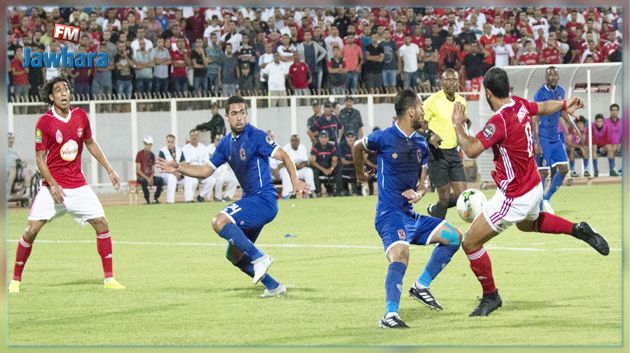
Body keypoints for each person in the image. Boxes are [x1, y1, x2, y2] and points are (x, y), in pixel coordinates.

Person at [451, 67, 609, 317]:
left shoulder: (499, 120)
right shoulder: (520, 104)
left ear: (488, 93)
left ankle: (491, 296)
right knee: (527, 225)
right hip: (534, 185)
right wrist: (565, 103)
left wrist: (458, 126)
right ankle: (577, 228)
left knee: (470, 242)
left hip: (514, 196)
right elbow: (544, 107)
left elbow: (471, 150)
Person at [157, 95, 307, 297]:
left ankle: (260, 257)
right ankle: (274, 286)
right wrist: (178, 166)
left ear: (247, 114)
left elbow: (284, 156)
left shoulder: (256, 136)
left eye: (242, 112)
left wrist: (295, 181)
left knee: (219, 221)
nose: (239, 117)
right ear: (227, 117)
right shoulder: (226, 144)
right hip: (250, 202)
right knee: (234, 254)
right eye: (234, 113)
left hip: (264, 199)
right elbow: (204, 170)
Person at [352, 89, 464, 329]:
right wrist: (361, 174)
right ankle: (390, 315)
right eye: (421, 107)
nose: (424, 112)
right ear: (411, 110)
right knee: (401, 255)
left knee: (455, 237)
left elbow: (422, 181)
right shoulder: (382, 137)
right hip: (389, 216)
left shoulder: (421, 144)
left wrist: (420, 192)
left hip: (409, 216)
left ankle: (421, 286)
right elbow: (356, 147)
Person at [9, 77, 125, 294]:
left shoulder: (80, 116)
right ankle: (15, 280)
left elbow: (90, 143)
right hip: (53, 188)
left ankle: (109, 278)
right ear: (51, 97)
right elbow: (40, 159)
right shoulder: (44, 122)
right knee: (31, 230)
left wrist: (109, 169)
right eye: (58, 90)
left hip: (78, 186)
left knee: (101, 223)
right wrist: (52, 185)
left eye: (66, 89)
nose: (64, 93)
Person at [533, 66, 579, 214]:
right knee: (544, 173)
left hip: (555, 137)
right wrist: (537, 141)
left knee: (564, 169)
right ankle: (539, 208)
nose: (552, 77)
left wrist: (574, 128)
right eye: (550, 75)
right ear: (546, 78)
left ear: (558, 77)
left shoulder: (560, 91)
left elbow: (562, 112)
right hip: (544, 138)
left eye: (555, 74)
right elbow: (535, 118)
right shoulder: (540, 93)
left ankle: (547, 198)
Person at [423, 69, 468, 220]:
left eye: (453, 80)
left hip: (454, 152)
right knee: (444, 197)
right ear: (442, 82)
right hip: (437, 154)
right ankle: (437, 229)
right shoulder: (432, 101)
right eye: (447, 80)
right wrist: (429, 135)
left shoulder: (461, 101)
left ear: (458, 82)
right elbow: (419, 123)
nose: (450, 83)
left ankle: (434, 209)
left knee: (463, 196)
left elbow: (462, 124)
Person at [279, 135, 316, 199]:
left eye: (296, 140)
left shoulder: (302, 147)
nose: (294, 142)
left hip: (299, 170)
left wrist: (299, 165)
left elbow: (305, 162)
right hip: (289, 171)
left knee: (308, 171)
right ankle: (287, 195)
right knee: (285, 172)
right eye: (292, 140)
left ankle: (310, 192)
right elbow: (281, 164)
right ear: (290, 141)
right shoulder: (285, 148)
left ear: (299, 141)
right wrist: (293, 165)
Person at [181, 129, 214, 202]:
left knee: (212, 180)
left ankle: (201, 196)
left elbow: (207, 162)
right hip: (190, 172)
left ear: (198, 137)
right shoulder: (185, 148)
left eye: (195, 135)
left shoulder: (203, 147)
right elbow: (185, 164)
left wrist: (202, 173)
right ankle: (189, 200)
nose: (194, 137)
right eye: (192, 136)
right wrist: (195, 173)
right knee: (193, 181)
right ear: (189, 137)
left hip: (202, 172)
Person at [135, 135, 163, 204]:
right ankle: (147, 200)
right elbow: (138, 170)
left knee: (160, 180)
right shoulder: (139, 154)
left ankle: (155, 198)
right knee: (144, 181)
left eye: (148, 144)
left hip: (149, 177)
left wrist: (151, 177)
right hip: (141, 177)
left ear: (151, 145)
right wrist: (147, 178)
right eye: (145, 144)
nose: (146, 146)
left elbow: (153, 169)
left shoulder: (152, 155)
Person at [310, 130, 339, 197]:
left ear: (328, 138)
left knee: (338, 168)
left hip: (329, 167)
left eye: (325, 137)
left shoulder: (332, 147)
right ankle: (318, 192)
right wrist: (323, 170)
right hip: (319, 168)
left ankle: (337, 191)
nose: (323, 139)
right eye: (322, 137)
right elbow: (313, 161)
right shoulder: (315, 147)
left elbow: (335, 160)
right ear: (319, 138)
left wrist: (331, 169)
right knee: (314, 171)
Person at [158, 134, 185, 204]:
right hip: (166, 174)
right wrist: (174, 173)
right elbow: (162, 166)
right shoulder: (162, 151)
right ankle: (170, 201)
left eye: (172, 142)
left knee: (189, 179)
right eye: (168, 142)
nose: (170, 144)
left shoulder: (179, 150)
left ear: (174, 142)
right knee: (172, 178)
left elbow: (183, 163)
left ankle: (189, 200)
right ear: (166, 142)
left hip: (179, 174)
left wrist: (180, 174)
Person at [7, 132, 33, 197]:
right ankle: (7, 193)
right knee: (13, 170)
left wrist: (24, 163)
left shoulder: (16, 150)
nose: (11, 140)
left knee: (29, 172)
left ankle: (21, 193)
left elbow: (21, 162)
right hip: (6, 170)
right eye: (9, 138)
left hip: (17, 170)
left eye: (12, 138)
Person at [604, 103, 622, 176]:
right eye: (612, 110)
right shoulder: (605, 121)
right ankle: (612, 170)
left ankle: (622, 170)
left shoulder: (622, 122)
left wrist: (619, 144)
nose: (614, 112)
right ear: (610, 111)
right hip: (606, 146)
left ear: (618, 111)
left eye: (616, 110)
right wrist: (611, 144)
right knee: (610, 149)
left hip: (618, 145)